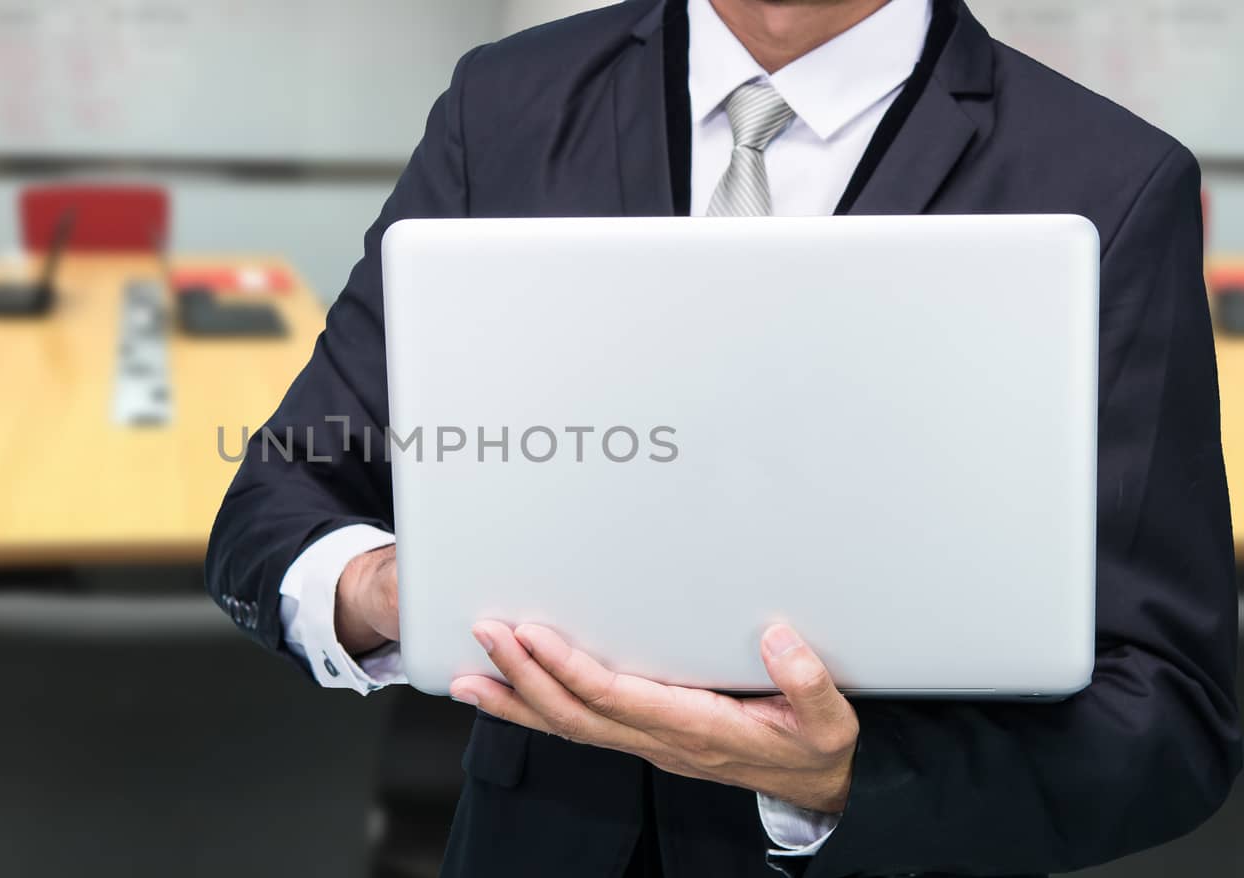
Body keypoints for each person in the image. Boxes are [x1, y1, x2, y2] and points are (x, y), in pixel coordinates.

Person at [206, 1, 1242, 875]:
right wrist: (392, 591)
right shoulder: (506, 103)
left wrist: (839, 775)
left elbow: (1173, 717)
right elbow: (278, 500)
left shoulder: (1108, 179)